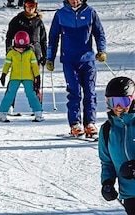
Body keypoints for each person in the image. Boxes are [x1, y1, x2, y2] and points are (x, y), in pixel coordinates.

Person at [45, 0, 106, 138]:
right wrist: (50, 58)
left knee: (90, 91)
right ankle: (75, 124)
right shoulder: (60, 14)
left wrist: (102, 51)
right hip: (69, 61)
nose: (75, 1)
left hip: (87, 60)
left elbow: (99, 33)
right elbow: (53, 38)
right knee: (74, 93)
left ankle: (90, 123)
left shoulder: (90, 13)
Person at [98, 76, 135, 215]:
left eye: (124, 102)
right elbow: (107, 162)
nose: (119, 107)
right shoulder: (107, 130)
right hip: (129, 194)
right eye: (113, 102)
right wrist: (107, 183)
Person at [5, 0, 47, 108]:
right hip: (19, 54)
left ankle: (37, 106)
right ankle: (9, 105)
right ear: (24, 6)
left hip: (35, 54)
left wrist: (45, 56)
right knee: (14, 81)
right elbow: (9, 37)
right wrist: (9, 51)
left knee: (36, 81)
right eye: (28, 5)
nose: (30, 8)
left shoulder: (38, 21)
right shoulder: (17, 20)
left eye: (33, 6)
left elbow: (43, 40)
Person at [0, 31, 44, 123]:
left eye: (24, 47)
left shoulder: (30, 53)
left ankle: (38, 113)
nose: (21, 49)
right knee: (10, 94)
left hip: (28, 77)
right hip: (15, 77)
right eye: (19, 47)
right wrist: (4, 74)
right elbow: (7, 65)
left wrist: (37, 76)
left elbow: (34, 66)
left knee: (31, 94)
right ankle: (3, 113)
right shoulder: (11, 53)